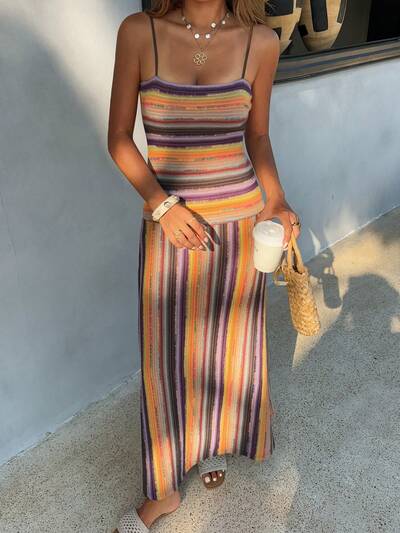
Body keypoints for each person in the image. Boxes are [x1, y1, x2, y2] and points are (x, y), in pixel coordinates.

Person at [108, 1, 301, 531]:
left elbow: (257, 137)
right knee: (166, 358)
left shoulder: (261, 41)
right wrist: (162, 205)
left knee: (227, 349)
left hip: (240, 229)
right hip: (171, 227)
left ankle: (212, 442)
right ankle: (165, 490)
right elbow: (119, 138)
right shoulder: (140, 32)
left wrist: (276, 200)